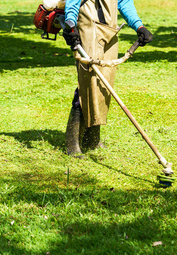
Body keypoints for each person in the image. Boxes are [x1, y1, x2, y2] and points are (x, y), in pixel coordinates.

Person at [62, 0, 153, 157]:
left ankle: (92, 140)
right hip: (88, 29)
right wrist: (70, 25)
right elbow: (72, 2)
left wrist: (139, 26)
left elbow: (124, 2)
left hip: (110, 32)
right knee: (87, 82)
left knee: (104, 82)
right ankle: (72, 145)